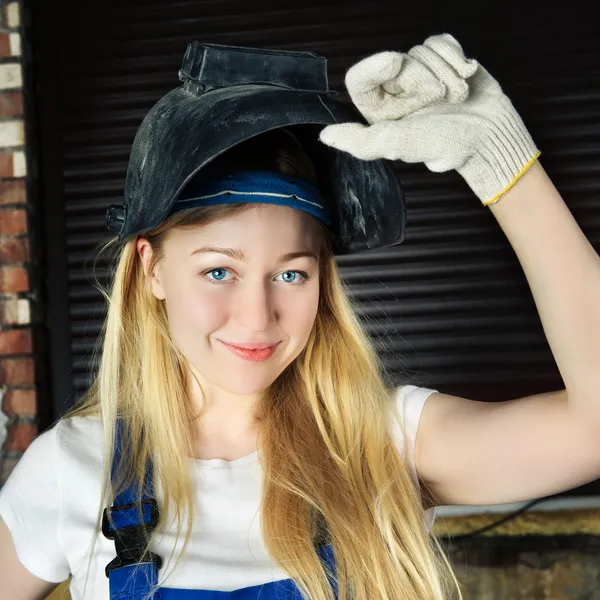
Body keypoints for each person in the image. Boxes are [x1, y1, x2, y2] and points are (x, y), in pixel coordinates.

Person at [1, 33, 600, 600]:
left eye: (291, 273)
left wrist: (504, 167)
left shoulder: (379, 443)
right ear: (152, 269)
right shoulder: (72, 469)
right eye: (219, 271)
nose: (258, 317)